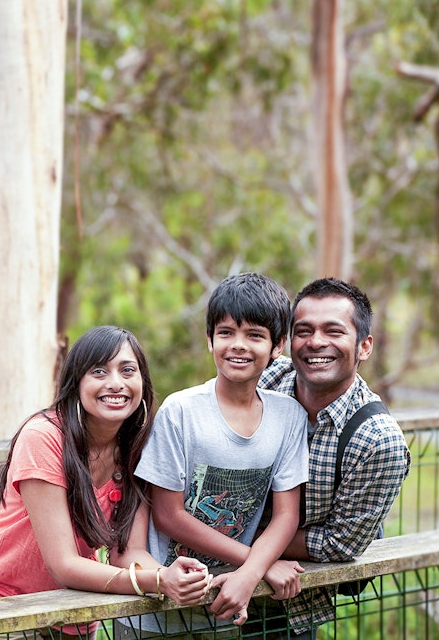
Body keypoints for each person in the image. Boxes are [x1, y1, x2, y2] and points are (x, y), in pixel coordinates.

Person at [0, 325, 213, 637]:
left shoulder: (136, 449)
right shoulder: (44, 437)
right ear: (76, 382)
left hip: (71, 610)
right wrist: (158, 582)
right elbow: (63, 564)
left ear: (143, 383)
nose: (115, 383)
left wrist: (173, 575)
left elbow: (127, 553)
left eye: (127, 370)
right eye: (99, 371)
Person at [118, 273, 310, 638]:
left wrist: (247, 577)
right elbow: (168, 514)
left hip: (223, 605)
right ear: (210, 340)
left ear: (278, 345)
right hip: (154, 612)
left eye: (254, 335)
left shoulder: (289, 417)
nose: (238, 345)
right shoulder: (182, 411)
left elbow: (286, 516)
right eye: (226, 333)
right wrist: (259, 567)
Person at [252, 278, 412, 637]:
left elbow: (340, 544)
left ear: (364, 346)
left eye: (334, 331)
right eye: (303, 330)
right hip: (203, 585)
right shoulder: (265, 379)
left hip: (287, 604)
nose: (316, 342)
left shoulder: (377, 441)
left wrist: (244, 543)